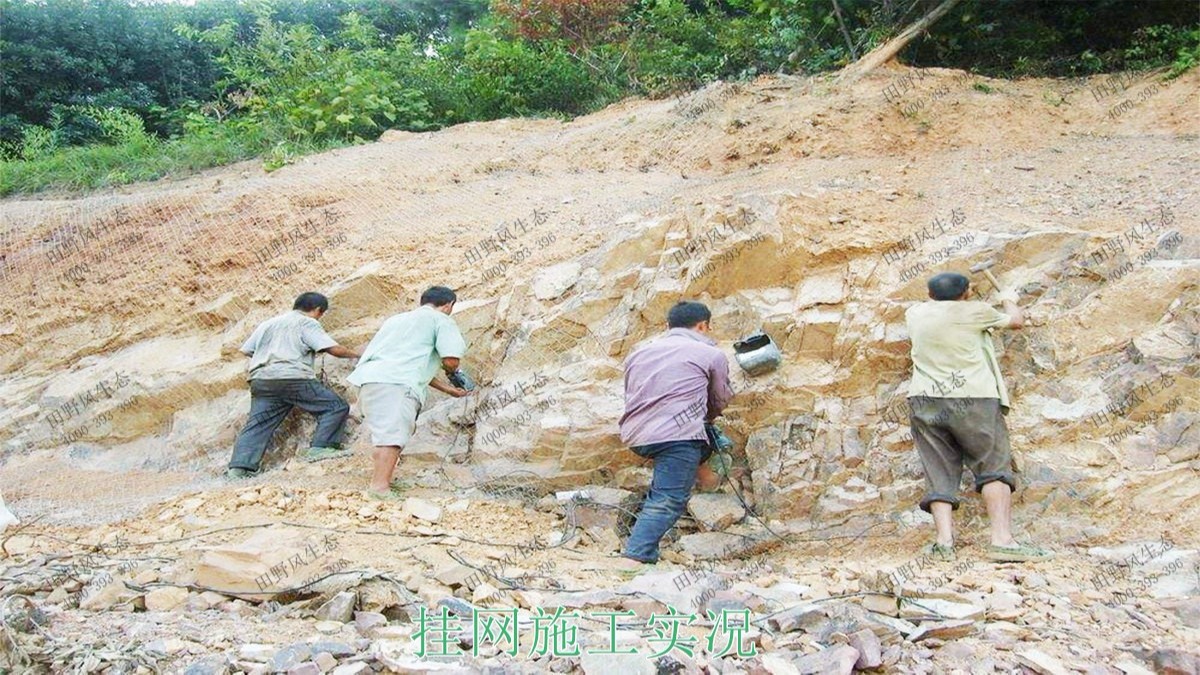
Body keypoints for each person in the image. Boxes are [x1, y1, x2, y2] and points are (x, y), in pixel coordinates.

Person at [904, 272, 1052, 562]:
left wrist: (962, 292)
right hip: (974, 397)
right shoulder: (976, 311)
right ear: (965, 294)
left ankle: (944, 543)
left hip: (925, 399)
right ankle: (1002, 540)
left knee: (938, 468)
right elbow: (1016, 321)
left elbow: (943, 302)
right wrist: (1008, 299)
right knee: (992, 464)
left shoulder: (915, 313)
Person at [620, 301, 734, 564]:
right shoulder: (710, 353)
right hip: (676, 436)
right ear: (703, 326)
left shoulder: (637, 353)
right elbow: (719, 399)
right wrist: (705, 419)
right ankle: (637, 555)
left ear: (667, 326)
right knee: (668, 498)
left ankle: (702, 475)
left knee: (702, 443)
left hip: (636, 434)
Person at [348, 286, 470, 500]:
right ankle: (379, 489)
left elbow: (411, 363)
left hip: (370, 380)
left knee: (385, 435)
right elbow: (450, 359)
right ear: (449, 305)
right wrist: (453, 373)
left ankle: (384, 480)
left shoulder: (395, 321)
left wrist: (449, 389)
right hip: (397, 384)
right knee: (392, 437)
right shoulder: (441, 320)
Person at [226, 292, 361, 478]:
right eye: (321, 313)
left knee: (258, 424)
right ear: (318, 310)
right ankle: (321, 448)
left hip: (261, 380)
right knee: (335, 407)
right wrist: (358, 355)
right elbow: (332, 349)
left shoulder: (268, 323)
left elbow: (247, 350)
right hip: (292, 378)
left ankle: (238, 469)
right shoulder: (307, 322)